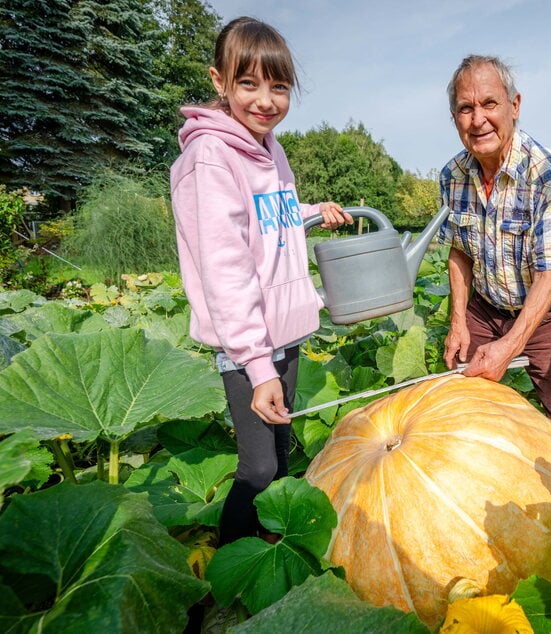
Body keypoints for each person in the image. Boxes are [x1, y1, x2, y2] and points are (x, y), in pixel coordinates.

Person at [170, 17, 352, 544]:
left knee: (279, 454)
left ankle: (270, 550)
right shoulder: (209, 157)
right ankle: (230, 573)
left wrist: (313, 210)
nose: (265, 100)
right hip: (249, 343)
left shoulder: (269, 147)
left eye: (278, 87)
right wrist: (256, 364)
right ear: (218, 81)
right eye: (248, 84)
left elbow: (270, 212)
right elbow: (224, 268)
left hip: (285, 332)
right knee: (257, 470)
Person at [437, 55, 551, 454]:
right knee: (462, 394)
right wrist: (458, 321)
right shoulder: (452, 175)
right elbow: (459, 250)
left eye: (489, 104)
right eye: (466, 108)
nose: (478, 119)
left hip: (548, 311)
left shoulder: (548, 174)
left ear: (514, 106)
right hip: (486, 308)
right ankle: (479, 471)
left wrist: (512, 345)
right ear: (455, 117)